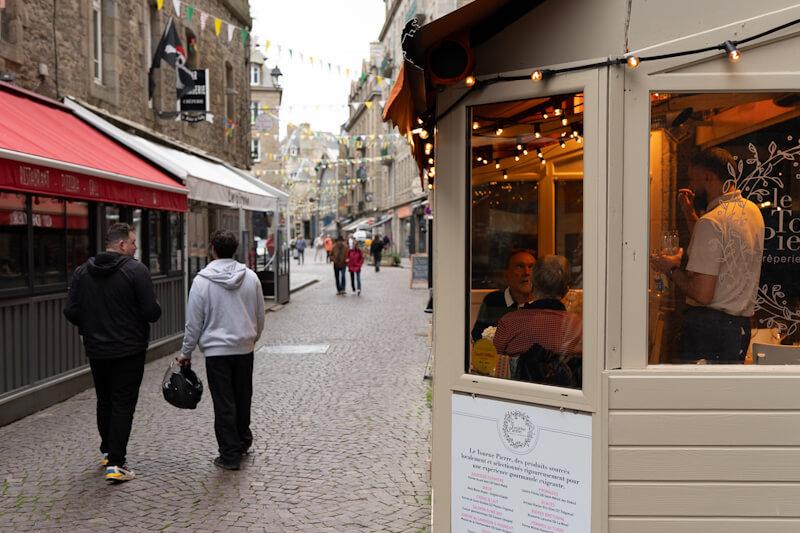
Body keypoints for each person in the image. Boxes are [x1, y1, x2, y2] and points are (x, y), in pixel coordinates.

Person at [63, 223, 161, 483]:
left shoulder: (82, 272)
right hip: (129, 349)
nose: (135, 246)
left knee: (104, 400)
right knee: (122, 403)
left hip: (97, 349)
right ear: (121, 245)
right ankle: (117, 463)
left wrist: (91, 324)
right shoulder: (136, 271)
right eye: (132, 242)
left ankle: (108, 452)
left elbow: (70, 310)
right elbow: (152, 312)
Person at [651, 147, 764, 363]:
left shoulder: (711, 222)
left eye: (693, 179)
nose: (692, 186)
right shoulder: (751, 211)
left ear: (708, 177)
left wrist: (671, 269)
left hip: (709, 331)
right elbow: (717, 248)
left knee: (694, 396)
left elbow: (702, 294)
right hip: (738, 330)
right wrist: (689, 214)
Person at [178, 230, 265, 470]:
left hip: (217, 352)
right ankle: (242, 440)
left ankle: (229, 454)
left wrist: (186, 353)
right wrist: (252, 338)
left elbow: (193, 322)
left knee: (224, 401)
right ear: (234, 250)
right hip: (244, 347)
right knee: (243, 396)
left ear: (213, 250)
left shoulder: (202, 281)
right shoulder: (251, 278)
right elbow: (260, 314)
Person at [493, 255, 582, 379]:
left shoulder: (509, 322)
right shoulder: (579, 327)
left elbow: (492, 364)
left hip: (519, 394)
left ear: (530, 285)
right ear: (566, 290)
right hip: (566, 396)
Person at [470, 249, 537, 341]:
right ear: (506, 275)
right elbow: (477, 338)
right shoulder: (492, 301)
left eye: (531, 267)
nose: (527, 273)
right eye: (520, 267)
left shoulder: (544, 303)